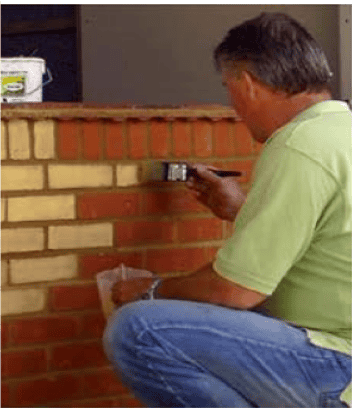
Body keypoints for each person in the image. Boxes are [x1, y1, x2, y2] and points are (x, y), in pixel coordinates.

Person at [103, 12, 352, 407]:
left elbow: (235, 290)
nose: (232, 104)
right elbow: (328, 239)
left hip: (337, 363)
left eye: (228, 87)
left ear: (247, 83)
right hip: (338, 349)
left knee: (138, 330)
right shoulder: (340, 134)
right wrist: (245, 211)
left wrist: (151, 290)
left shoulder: (299, 145)